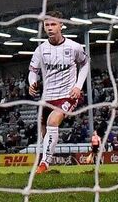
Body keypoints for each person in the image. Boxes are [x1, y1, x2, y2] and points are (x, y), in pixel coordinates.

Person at [28, 11, 89, 174]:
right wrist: (32, 82)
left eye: (53, 24)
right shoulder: (40, 50)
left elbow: (85, 64)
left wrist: (78, 86)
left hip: (67, 95)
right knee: (43, 132)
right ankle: (43, 161)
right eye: (47, 25)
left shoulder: (74, 47)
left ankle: (44, 164)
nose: (50, 28)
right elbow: (33, 70)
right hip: (47, 97)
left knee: (52, 121)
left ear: (61, 25)